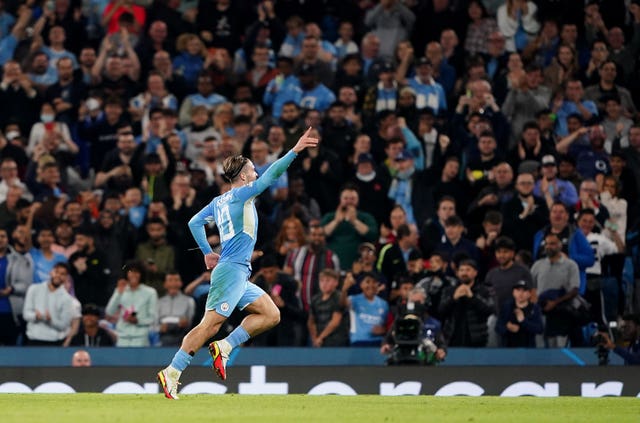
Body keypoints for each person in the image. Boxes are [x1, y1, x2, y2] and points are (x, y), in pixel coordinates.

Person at [157, 128, 318, 399]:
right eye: (253, 169)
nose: (256, 173)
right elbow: (272, 175)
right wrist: (295, 150)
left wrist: (208, 252)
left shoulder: (218, 201)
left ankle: (226, 347)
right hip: (230, 270)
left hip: (238, 271)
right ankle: (172, 371)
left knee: (270, 314)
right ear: (243, 175)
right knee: (209, 325)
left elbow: (194, 222)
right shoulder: (243, 194)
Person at [438, 258, 494, 347]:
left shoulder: (484, 290)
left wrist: (472, 297)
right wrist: (453, 298)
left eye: (468, 270)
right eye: (461, 270)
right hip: (452, 338)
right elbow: (441, 311)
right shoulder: (449, 290)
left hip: (477, 339)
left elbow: (489, 310)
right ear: (457, 273)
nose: (464, 273)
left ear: (475, 273)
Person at [105, 260, 158, 347]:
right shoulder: (120, 290)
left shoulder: (150, 292)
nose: (133, 275)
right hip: (122, 337)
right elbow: (109, 312)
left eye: (136, 272)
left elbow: (153, 318)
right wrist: (118, 293)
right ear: (126, 274)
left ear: (141, 274)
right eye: (131, 272)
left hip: (141, 338)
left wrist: (138, 320)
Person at [22, 262, 75, 345]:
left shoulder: (67, 299)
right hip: (33, 339)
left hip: (54, 341)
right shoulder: (34, 289)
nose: (58, 276)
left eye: (62, 274)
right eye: (56, 272)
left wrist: (50, 321)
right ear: (51, 272)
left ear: (66, 277)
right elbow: (26, 314)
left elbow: (64, 325)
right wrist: (36, 316)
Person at [495, 280, 543, 347]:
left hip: (527, 349)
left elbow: (539, 329)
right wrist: (507, 328)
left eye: (524, 290)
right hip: (509, 348)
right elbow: (498, 327)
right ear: (513, 292)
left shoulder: (534, 308)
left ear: (529, 294)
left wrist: (523, 321)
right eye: (518, 290)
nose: (520, 293)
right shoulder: (507, 306)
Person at [307, 269, 348, 347]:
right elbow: (311, 321)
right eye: (322, 281)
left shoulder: (338, 297)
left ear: (336, 282)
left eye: (328, 281)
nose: (324, 284)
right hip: (318, 341)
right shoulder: (315, 299)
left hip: (336, 341)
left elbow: (335, 321)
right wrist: (314, 339)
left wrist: (320, 337)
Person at [157, 272, 196, 347]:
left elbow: (192, 323)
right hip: (163, 336)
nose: (173, 283)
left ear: (181, 283)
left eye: (176, 280)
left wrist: (186, 323)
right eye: (170, 280)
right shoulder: (159, 302)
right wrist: (160, 328)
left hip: (182, 335)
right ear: (165, 284)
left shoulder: (189, 301)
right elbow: (153, 324)